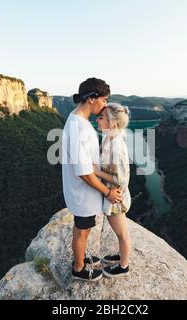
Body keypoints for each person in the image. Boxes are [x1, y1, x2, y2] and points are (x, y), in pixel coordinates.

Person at [62, 78, 123, 281]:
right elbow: (84, 172)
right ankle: (79, 268)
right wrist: (108, 192)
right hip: (83, 194)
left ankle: (82, 259)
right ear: (91, 99)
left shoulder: (76, 121)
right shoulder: (79, 129)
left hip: (82, 193)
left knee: (84, 229)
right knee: (82, 231)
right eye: (104, 100)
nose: (105, 105)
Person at [94, 103, 132, 278]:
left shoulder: (117, 147)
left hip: (115, 197)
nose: (97, 120)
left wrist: (96, 172)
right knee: (119, 231)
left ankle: (124, 266)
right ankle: (121, 254)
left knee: (122, 233)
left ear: (112, 123)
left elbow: (121, 179)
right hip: (111, 195)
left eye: (101, 117)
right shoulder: (109, 138)